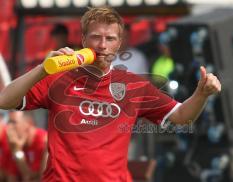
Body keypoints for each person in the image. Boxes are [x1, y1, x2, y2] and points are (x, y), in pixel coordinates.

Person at [0, 7, 221, 182]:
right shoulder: (58, 77)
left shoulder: (134, 86)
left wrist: (201, 94)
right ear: (84, 40)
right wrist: (42, 68)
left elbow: (182, 116)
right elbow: (4, 100)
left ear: (119, 44)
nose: (102, 46)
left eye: (110, 39)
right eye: (96, 37)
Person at [0, 111, 47, 182]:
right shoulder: (17, 144)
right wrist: (16, 151)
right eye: (9, 122)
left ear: (29, 123)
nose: (9, 128)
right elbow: (11, 177)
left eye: (13, 122)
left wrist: (17, 151)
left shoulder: (44, 142)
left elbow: (36, 179)